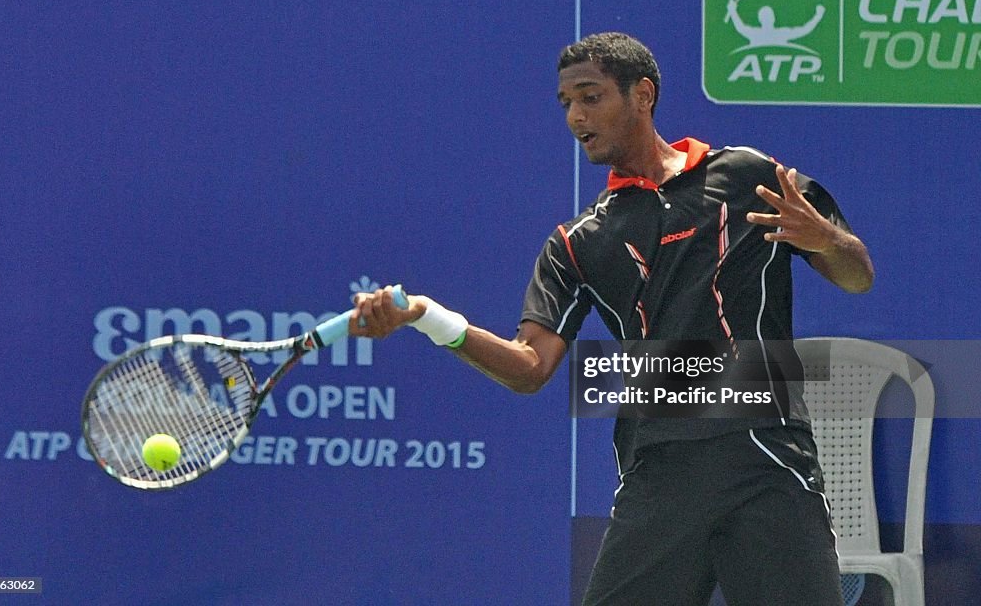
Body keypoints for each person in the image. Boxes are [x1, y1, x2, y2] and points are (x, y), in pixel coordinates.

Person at [350, 32, 874, 605]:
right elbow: (528, 368)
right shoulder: (578, 243)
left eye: (590, 97)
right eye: (566, 103)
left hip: (767, 461)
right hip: (660, 473)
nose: (576, 116)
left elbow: (858, 275)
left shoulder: (747, 175)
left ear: (642, 95)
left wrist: (825, 239)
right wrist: (429, 317)